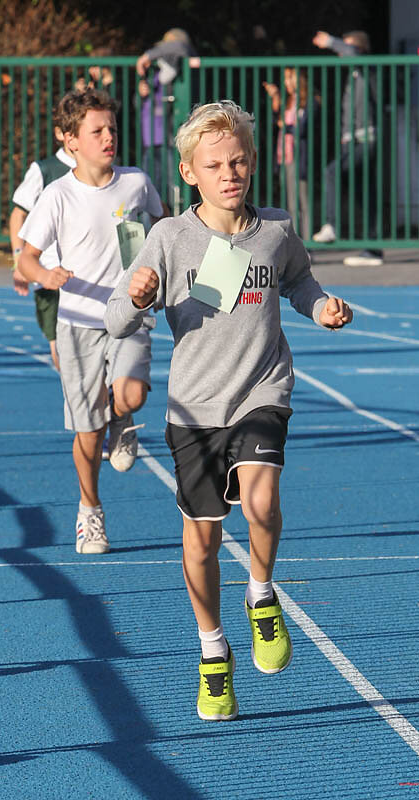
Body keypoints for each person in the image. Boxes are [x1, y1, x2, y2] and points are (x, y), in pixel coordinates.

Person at [105, 100, 353, 720]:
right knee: (202, 541)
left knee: (263, 502)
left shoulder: (275, 230)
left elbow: (299, 281)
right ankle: (213, 652)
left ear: (252, 161)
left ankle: (261, 594)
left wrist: (321, 306)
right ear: (189, 173)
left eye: (237, 161)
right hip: (194, 408)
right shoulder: (169, 237)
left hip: (262, 390)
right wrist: (137, 295)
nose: (229, 174)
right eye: (214, 165)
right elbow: (116, 320)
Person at [17, 89, 164, 555]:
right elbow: (26, 258)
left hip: (129, 313)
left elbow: (163, 227)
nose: (108, 138)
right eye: (96, 131)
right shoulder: (57, 195)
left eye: (112, 129)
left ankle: (122, 414)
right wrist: (46, 276)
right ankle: (90, 511)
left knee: (132, 394)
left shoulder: (136, 182)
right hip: (78, 321)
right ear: (71, 140)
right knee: (87, 430)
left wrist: (158, 275)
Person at [312, 30, 383, 267]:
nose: (342, 52)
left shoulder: (366, 68)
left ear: (360, 49)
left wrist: (331, 42)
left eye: (348, 47)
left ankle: (332, 225)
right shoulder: (355, 74)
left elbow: (352, 52)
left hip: (364, 139)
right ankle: (373, 250)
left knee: (331, 172)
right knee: (366, 194)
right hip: (353, 139)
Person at [9, 123, 76, 370]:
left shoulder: (106, 169)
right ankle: (73, 390)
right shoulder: (45, 170)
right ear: (60, 133)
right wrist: (19, 261)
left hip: (90, 273)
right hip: (49, 273)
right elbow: (18, 215)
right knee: (59, 346)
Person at [136, 29, 199, 208]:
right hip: (150, 138)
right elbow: (137, 104)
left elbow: (180, 47)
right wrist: (140, 94)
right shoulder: (153, 71)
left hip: (171, 138)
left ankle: (177, 217)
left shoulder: (179, 67)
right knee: (151, 189)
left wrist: (146, 56)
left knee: (175, 188)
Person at [263, 68, 319, 240]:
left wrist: (285, 126)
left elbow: (302, 129)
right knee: (291, 203)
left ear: (297, 80)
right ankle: (296, 241)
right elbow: (276, 121)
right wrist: (276, 98)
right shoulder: (289, 101)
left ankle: (307, 242)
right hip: (285, 155)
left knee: (304, 201)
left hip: (299, 156)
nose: (286, 82)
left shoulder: (310, 101)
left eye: (289, 78)